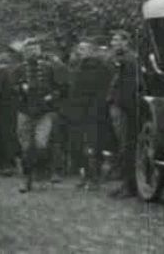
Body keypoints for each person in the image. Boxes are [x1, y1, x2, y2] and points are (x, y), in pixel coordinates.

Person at [12, 36, 68, 193]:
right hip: (25, 111)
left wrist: (51, 97)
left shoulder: (50, 68)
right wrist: (20, 89)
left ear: (40, 51)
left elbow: (62, 89)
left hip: (44, 111)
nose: (32, 53)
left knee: (41, 144)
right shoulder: (19, 69)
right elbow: (11, 89)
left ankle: (43, 171)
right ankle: (26, 179)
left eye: (35, 49)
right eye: (29, 50)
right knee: (26, 146)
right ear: (24, 52)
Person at [66, 39, 114, 190]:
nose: (81, 51)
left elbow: (102, 91)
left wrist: (96, 110)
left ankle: (94, 179)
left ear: (92, 51)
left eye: (84, 49)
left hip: (93, 112)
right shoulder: (76, 66)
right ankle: (85, 176)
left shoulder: (100, 67)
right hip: (77, 111)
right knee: (79, 144)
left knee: (93, 145)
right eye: (79, 48)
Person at [107, 29, 141, 198]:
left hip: (123, 108)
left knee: (126, 146)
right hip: (119, 106)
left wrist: (123, 107)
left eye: (117, 40)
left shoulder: (128, 60)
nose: (113, 43)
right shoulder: (124, 59)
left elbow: (129, 87)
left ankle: (130, 186)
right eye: (113, 40)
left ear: (126, 42)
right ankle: (127, 185)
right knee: (124, 146)